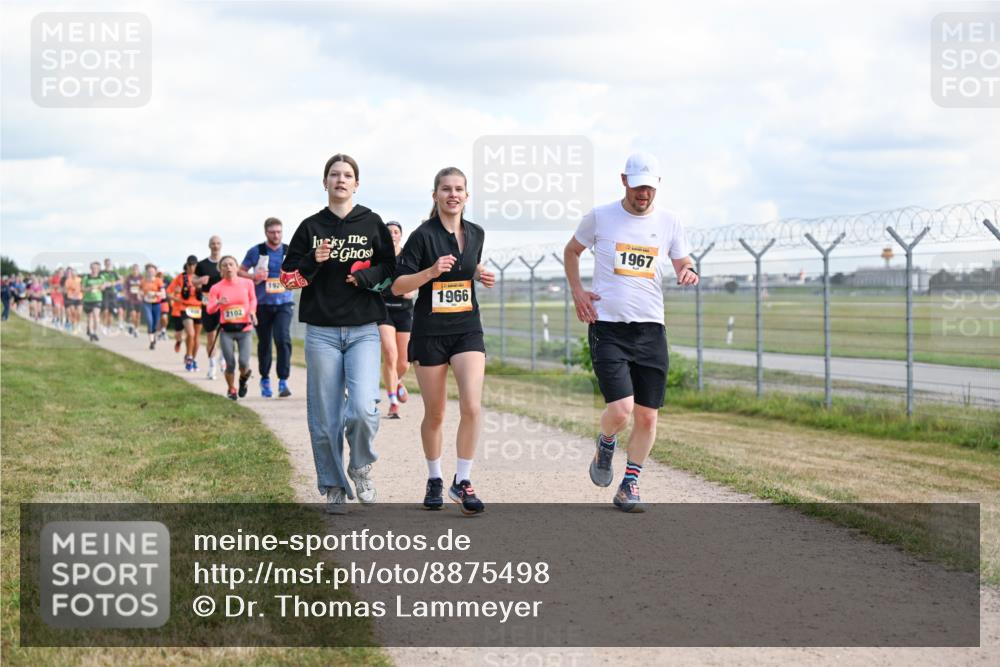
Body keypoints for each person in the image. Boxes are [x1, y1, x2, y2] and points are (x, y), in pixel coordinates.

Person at [563, 151, 698, 513]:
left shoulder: (670, 221)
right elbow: (572, 251)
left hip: (651, 327)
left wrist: (688, 270)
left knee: (648, 415)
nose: (644, 195)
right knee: (621, 410)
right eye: (638, 187)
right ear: (624, 180)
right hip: (608, 325)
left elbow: (682, 259)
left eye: (650, 189)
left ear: (658, 186)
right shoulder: (600, 217)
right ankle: (607, 440)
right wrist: (578, 291)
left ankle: (630, 484)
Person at [280, 153, 396, 514]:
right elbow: (287, 279)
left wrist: (366, 278)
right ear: (325, 182)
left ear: (356, 184)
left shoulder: (372, 222)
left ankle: (360, 466)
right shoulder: (310, 227)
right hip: (322, 332)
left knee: (362, 408)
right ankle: (332, 485)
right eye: (334, 174)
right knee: (325, 417)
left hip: (363, 329)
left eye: (347, 175)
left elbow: (391, 271)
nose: (341, 180)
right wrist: (312, 262)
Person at [391, 167, 495, 515]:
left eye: (459, 189)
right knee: (435, 412)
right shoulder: (422, 236)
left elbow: (467, 268)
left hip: (467, 328)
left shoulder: (477, 234)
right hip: (430, 331)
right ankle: (435, 477)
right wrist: (431, 272)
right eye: (446, 189)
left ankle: (462, 480)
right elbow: (399, 286)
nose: (453, 194)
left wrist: (480, 272)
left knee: (472, 405)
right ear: (435, 195)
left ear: (467, 195)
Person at [240, 218, 294, 398]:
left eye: (279, 231)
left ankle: (283, 381)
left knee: (282, 339)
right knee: (265, 343)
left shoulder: (289, 250)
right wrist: (253, 276)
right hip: (262, 304)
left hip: (284, 302)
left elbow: (301, 270)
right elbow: (240, 271)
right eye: (272, 232)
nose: (276, 235)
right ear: (266, 233)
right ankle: (264, 379)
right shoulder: (256, 251)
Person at [378, 221, 417, 419]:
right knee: (390, 354)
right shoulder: (379, 256)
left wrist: (413, 289)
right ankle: (393, 403)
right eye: (389, 232)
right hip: (383, 309)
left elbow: (419, 277)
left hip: (404, 310)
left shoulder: (409, 255)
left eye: (396, 231)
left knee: (404, 362)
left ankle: (397, 380)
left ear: (401, 235)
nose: (392, 234)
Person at [207, 256, 258, 400]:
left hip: (245, 329)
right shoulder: (216, 288)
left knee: (243, 362)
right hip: (226, 331)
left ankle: (242, 381)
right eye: (224, 265)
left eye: (231, 264)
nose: (228, 267)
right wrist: (218, 302)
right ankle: (231, 389)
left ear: (236, 267)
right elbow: (210, 309)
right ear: (220, 269)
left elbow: (253, 299)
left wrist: (253, 312)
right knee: (230, 364)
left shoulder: (247, 283)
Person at [167, 256, 204, 371]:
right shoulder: (181, 277)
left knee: (196, 336)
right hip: (185, 308)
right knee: (191, 333)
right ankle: (188, 357)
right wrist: (177, 299)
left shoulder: (201, 278)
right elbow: (169, 292)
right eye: (190, 265)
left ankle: (193, 358)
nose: (192, 267)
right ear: (187, 265)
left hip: (198, 309)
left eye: (194, 265)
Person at [195, 236, 224, 379]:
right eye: (213, 243)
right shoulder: (202, 265)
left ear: (221, 245)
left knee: (226, 333)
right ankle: (212, 365)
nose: (215, 246)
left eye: (218, 243)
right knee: (211, 335)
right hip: (208, 304)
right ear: (209, 245)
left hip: (224, 303)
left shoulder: (226, 264)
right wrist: (199, 280)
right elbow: (193, 281)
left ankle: (223, 358)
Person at [140, 264, 165, 349]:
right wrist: (140, 295)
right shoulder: (143, 281)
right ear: (146, 272)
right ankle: (151, 342)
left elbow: (163, 294)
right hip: (147, 304)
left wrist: (155, 293)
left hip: (156, 304)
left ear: (155, 272)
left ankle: (154, 338)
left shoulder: (158, 281)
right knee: (149, 321)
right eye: (149, 271)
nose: (151, 273)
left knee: (155, 323)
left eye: (152, 271)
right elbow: (139, 292)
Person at [81, 262, 105, 341]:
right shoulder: (86, 277)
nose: (94, 270)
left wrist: (100, 287)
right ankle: (91, 333)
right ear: (90, 268)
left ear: (98, 269)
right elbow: (82, 288)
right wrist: (89, 289)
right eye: (93, 268)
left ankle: (94, 332)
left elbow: (103, 287)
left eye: (96, 268)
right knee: (90, 317)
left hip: (97, 299)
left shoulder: (101, 277)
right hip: (88, 299)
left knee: (96, 316)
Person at [100, 258, 120, 333]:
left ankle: (108, 327)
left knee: (111, 312)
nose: (108, 264)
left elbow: (119, 281)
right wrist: (102, 285)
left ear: (110, 264)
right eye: (106, 263)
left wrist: (112, 283)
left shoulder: (114, 273)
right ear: (104, 264)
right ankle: (103, 324)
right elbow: (98, 281)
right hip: (104, 293)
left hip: (112, 293)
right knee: (105, 311)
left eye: (109, 263)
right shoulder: (101, 272)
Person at [123, 264, 143, 337]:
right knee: (133, 314)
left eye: (136, 269)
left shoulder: (141, 278)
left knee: (138, 316)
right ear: (132, 270)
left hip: (139, 300)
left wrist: (141, 293)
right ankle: (132, 325)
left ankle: (136, 328)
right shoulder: (129, 278)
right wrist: (126, 295)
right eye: (134, 269)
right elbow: (125, 288)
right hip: (131, 299)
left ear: (138, 270)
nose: (135, 271)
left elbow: (144, 287)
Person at [63, 268, 83, 333]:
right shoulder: (68, 280)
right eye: (72, 273)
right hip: (71, 298)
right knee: (73, 313)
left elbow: (83, 287)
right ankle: (74, 327)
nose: (73, 274)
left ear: (76, 273)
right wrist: (71, 289)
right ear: (71, 274)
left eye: (75, 272)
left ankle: (78, 324)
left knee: (79, 313)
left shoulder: (80, 280)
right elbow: (66, 289)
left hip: (79, 298)